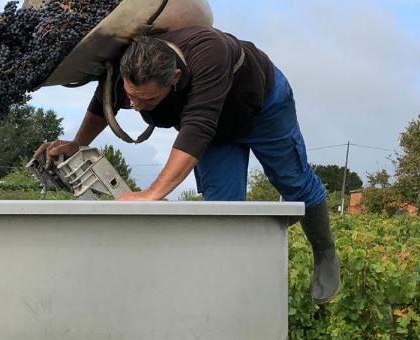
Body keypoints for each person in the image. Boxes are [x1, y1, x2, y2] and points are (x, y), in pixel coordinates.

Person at [34, 27, 340, 303]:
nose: (136, 106)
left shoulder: (210, 54)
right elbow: (105, 100)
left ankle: (325, 252)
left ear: (175, 79)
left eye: (148, 100)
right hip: (219, 135)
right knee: (224, 212)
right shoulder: (133, 65)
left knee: (294, 183)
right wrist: (78, 143)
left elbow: (198, 128)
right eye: (132, 98)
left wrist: (152, 193)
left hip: (263, 108)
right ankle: (231, 296)